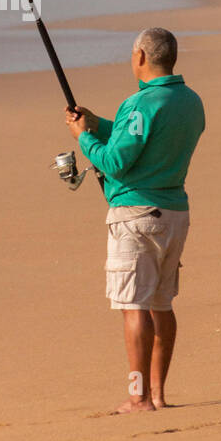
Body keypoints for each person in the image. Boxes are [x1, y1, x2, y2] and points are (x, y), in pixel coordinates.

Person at [64, 27, 205, 414]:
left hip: (136, 216)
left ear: (141, 56)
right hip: (175, 213)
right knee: (162, 303)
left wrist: (83, 138)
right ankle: (157, 394)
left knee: (133, 306)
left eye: (131, 54)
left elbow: (116, 162)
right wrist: (98, 124)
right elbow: (145, 137)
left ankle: (138, 397)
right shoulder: (190, 101)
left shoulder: (140, 103)